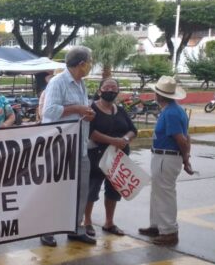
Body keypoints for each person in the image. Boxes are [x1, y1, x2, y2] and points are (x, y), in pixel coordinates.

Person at [39, 46, 96, 248]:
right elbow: (51, 111)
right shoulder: (58, 82)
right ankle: (47, 230)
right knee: (54, 190)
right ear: (81, 63)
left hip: (80, 146)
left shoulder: (81, 85)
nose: (91, 65)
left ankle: (76, 228)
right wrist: (77, 109)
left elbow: (80, 112)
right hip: (59, 148)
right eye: (90, 61)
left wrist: (87, 114)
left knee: (81, 190)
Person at [138, 76, 193, 246]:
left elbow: (181, 139)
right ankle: (158, 226)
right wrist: (186, 158)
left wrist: (186, 159)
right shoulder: (174, 110)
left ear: (159, 95)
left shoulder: (171, 113)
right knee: (158, 193)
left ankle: (169, 230)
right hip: (163, 156)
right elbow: (186, 137)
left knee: (164, 194)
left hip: (166, 157)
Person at [83, 78, 137, 237]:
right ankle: (87, 221)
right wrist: (113, 141)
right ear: (100, 90)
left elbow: (133, 130)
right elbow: (90, 132)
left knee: (114, 190)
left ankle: (109, 222)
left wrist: (125, 140)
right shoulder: (92, 109)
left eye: (114, 88)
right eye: (107, 87)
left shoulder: (120, 110)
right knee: (92, 190)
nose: (111, 90)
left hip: (118, 158)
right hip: (97, 157)